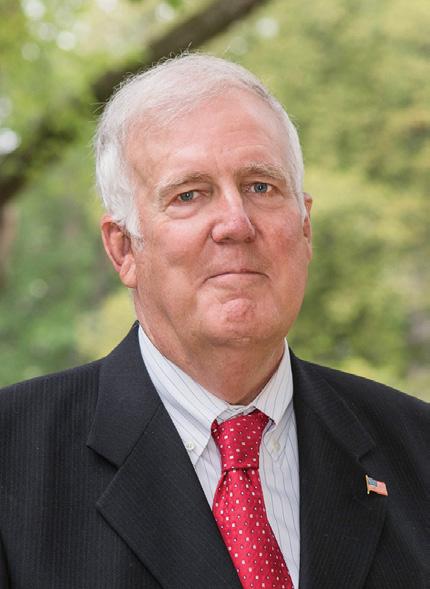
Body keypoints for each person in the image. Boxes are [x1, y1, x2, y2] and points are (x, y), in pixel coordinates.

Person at [0, 54, 427, 589]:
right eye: (189, 195)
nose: (235, 223)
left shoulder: (417, 451)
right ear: (123, 249)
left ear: (305, 228)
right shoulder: (12, 461)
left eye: (261, 186)